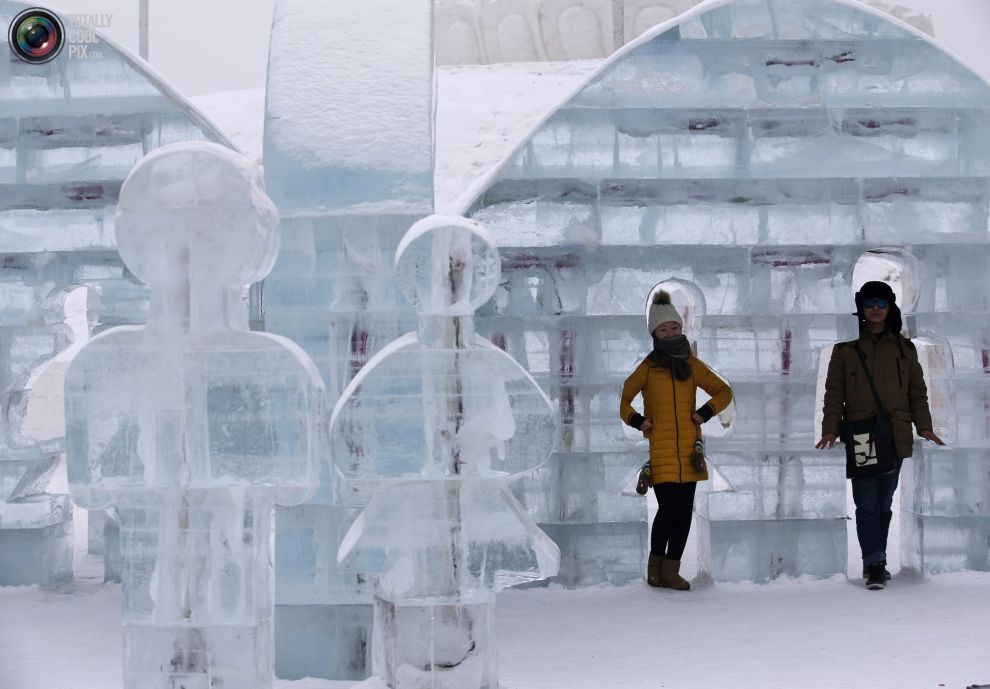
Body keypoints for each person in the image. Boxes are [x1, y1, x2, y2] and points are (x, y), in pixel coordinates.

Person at [816, 280, 944, 590]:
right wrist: (831, 427)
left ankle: (877, 557)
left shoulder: (904, 348)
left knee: (884, 502)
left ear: (890, 308)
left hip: (896, 432)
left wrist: (923, 425)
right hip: (861, 432)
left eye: (881, 303)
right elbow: (834, 392)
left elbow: (917, 391)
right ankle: (874, 562)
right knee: (866, 502)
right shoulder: (845, 349)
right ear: (861, 308)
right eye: (869, 302)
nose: (875, 308)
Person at [620, 290, 733, 590]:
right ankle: (655, 566)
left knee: (684, 514)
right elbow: (624, 401)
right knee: (669, 510)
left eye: (674, 327)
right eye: (663, 329)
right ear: (654, 333)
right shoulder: (648, 366)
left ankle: (671, 571)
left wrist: (704, 413)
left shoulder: (693, 365)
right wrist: (639, 421)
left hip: (689, 453)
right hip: (662, 451)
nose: (669, 333)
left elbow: (724, 392)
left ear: (680, 329)